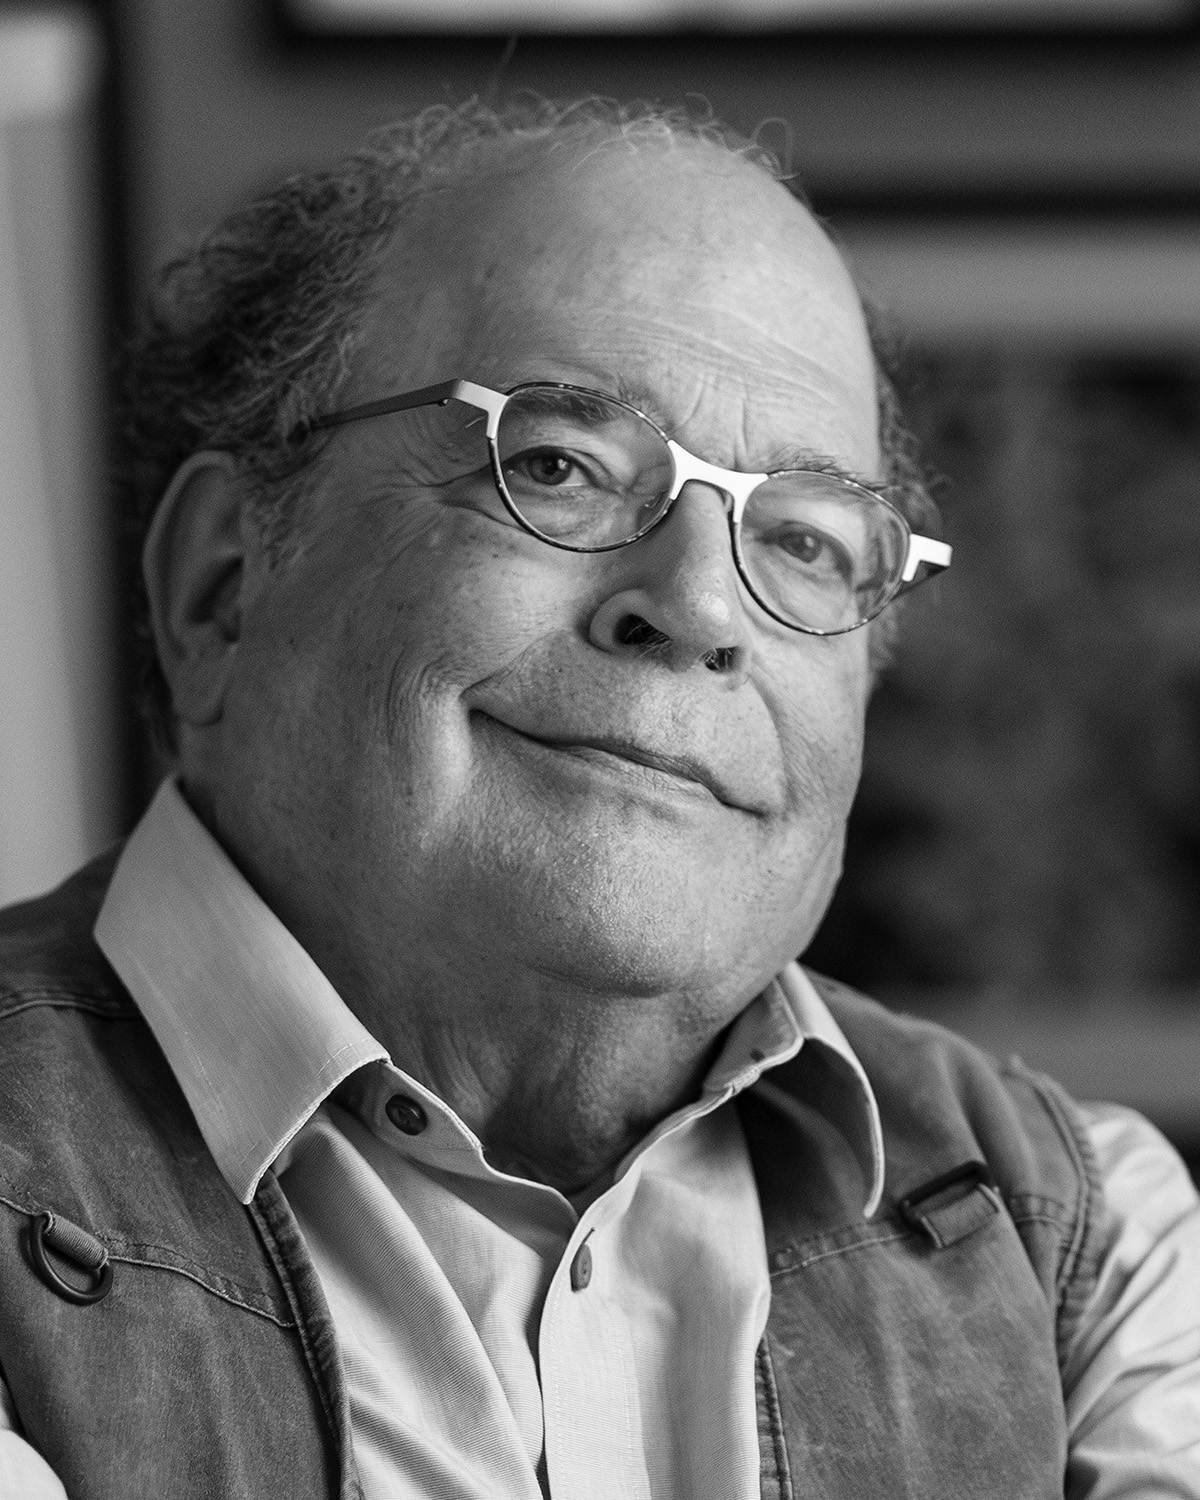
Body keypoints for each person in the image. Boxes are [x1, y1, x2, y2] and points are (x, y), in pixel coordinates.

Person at [1, 98, 1197, 1500]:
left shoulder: (1090, 1253)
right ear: (221, 581)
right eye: (559, 466)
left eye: (805, 544)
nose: (700, 608)